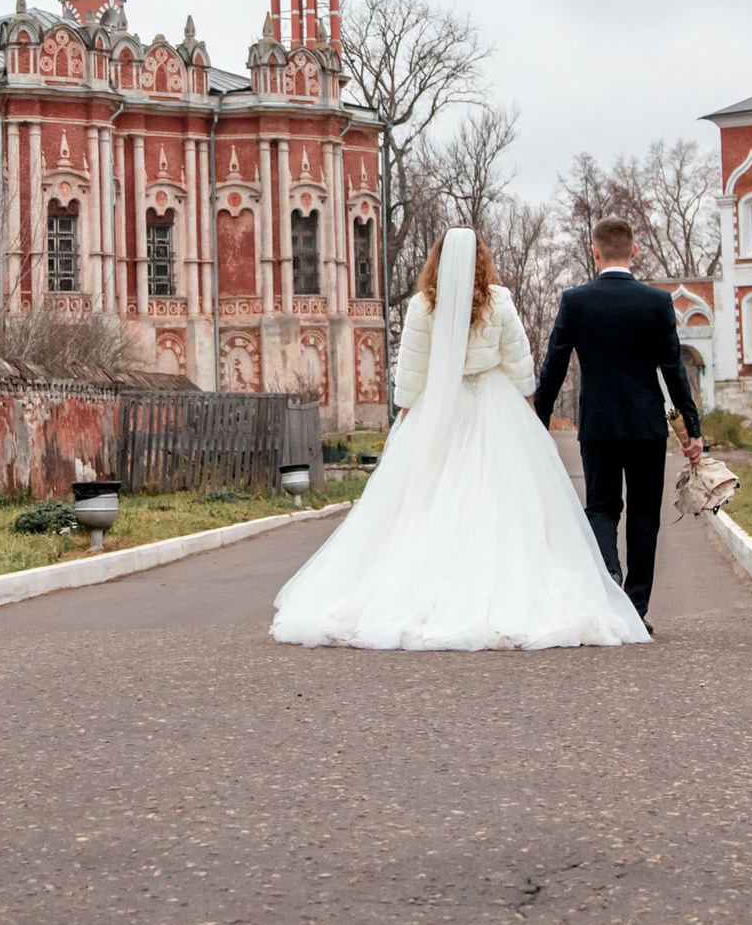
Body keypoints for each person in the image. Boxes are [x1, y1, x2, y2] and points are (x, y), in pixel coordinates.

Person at [270, 227, 648, 650]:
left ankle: (431, 587)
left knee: (431, 501)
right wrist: (530, 412)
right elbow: (517, 361)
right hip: (494, 404)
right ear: (481, 261)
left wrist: (407, 419)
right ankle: (501, 584)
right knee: (502, 500)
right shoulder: (498, 301)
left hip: (439, 405)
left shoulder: (422, 306)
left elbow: (412, 368)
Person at [533, 216, 705, 629]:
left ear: (594, 252)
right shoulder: (656, 303)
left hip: (598, 426)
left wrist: (539, 420)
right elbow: (674, 371)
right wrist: (693, 430)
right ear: (635, 251)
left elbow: (554, 366)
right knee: (645, 515)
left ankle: (609, 571)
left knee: (601, 508)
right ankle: (636, 608)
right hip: (646, 427)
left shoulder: (576, 301)